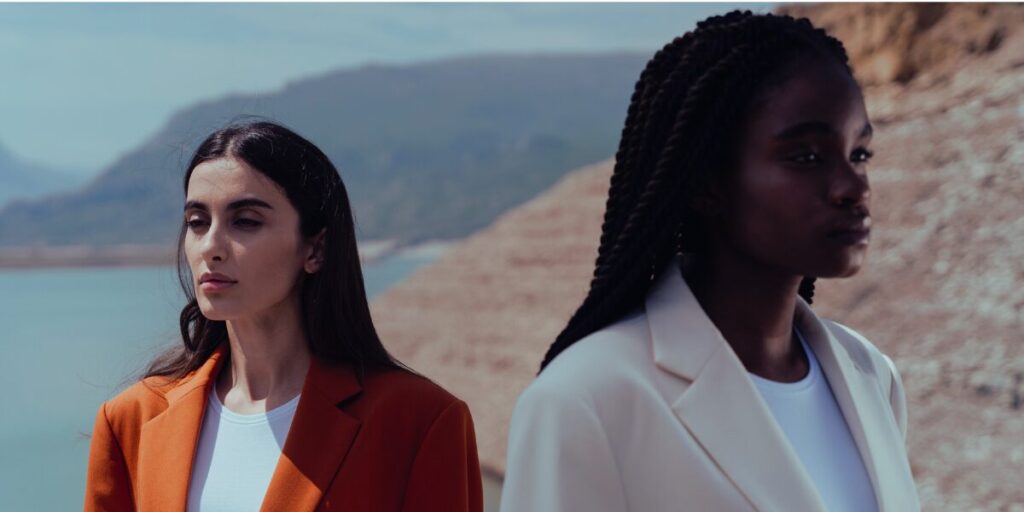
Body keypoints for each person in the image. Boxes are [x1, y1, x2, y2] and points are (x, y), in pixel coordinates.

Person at [501, 11, 919, 512]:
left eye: (860, 154)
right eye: (806, 156)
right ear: (707, 182)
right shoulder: (587, 400)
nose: (854, 188)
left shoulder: (871, 374)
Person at [84, 121, 483, 511]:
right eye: (197, 222)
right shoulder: (131, 420)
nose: (211, 246)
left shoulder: (418, 421)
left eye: (246, 222)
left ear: (316, 249)